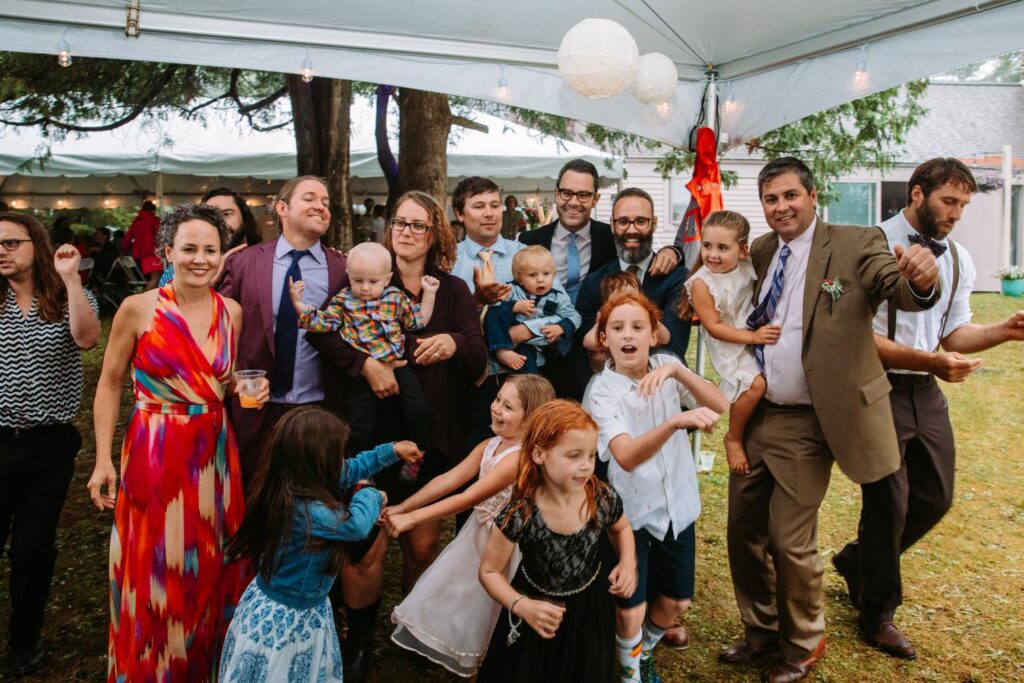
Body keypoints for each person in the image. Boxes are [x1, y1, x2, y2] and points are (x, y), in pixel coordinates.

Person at [721, 157, 940, 683]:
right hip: (757, 413)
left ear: (813, 195)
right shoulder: (763, 250)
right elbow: (719, 275)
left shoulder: (855, 242)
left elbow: (899, 289)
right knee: (742, 529)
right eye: (771, 199)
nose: (781, 207)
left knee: (790, 540)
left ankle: (803, 644)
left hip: (809, 420)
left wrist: (921, 279)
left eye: (791, 195)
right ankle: (762, 631)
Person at [832, 158, 1024, 659]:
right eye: (949, 201)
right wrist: (930, 361)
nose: (957, 213)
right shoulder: (868, 244)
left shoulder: (958, 258)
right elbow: (857, 336)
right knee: (888, 502)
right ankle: (878, 611)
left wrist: (1003, 330)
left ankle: (858, 561)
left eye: (963, 204)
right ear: (917, 194)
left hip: (925, 390)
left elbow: (952, 333)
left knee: (936, 497)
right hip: (875, 387)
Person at [88, 204, 267, 682]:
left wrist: (243, 391)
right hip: (156, 451)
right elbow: (108, 384)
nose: (200, 259)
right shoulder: (137, 308)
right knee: (155, 569)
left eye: (211, 249)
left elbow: (221, 382)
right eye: (189, 248)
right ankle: (153, 667)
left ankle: (204, 666)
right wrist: (102, 460)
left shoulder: (231, 312)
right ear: (168, 251)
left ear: (222, 255)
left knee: (212, 564)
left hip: (214, 456)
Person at [314, 190, 487, 681]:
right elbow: (323, 335)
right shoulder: (361, 281)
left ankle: (412, 626)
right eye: (400, 223)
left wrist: (454, 341)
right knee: (363, 542)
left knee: (420, 543)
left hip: (428, 439)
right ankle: (360, 640)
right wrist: (365, 363)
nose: (407, 232)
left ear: (436, 236)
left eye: (419, 226)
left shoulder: (451, 291)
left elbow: (477, 358)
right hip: (366, 439)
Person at [583, 291, 727, 683]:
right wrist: (674, 423)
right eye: (617, 328)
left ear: (652, 335)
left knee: (677, 600)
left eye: (637, 327)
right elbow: (625, 456)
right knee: (631, 606)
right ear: (604, 340)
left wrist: (680, 373)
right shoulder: (602, 391)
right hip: (631, 514)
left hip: (679, 507)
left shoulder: (666, 366)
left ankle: (643, 648)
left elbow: (719, 403)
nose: (627, 335)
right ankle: (631, 675)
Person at [219, 406, 422, 682]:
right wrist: (371, 494)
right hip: (285, 621)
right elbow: (355, 525)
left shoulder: (292, 479)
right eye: (337, 454)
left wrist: (392, 451)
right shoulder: (303, 509)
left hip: (301, 609)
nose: (343, 461)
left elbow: (351, 469)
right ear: (315, 461)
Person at [387, 375, 556, 677]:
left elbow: (467, 497)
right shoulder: (490, 445)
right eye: (497, 400)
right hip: (477, 540)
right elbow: (448, 480)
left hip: (507, 549)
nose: (496, 409)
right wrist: (403, 506)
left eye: (507, 406)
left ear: (531, 419)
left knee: (493, 617)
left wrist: (412, 519)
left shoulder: (519, 459)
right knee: (466, 605)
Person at [0, 212, 100, 677]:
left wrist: (71, 280)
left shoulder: (63, 296)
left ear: (34, 245)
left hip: (49, 447)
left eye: (10, 242)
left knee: (31, 549)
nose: (1, 251)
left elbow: (87, 339)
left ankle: (24, 641)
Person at [476, 400, 637, 682]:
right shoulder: (521, 512)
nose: (586, 466)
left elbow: (621, 529)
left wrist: (627, 562)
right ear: (540, 454)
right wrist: (521, 606)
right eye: (574, 456)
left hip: (589, 608)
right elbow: (489, 572)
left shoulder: (601, 497)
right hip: (535, 606)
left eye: (590, 455)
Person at [217, 175, 352, 494]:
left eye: (326, 202)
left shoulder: (343, 270)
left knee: (314, 507)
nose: (320, 206)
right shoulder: (244, 263)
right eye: (310, 198)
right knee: (255, 504)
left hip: (320, 409)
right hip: (257, 410)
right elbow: (217, 329)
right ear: (282, 207)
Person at [290, 241, 439, 459]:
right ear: (348, 275)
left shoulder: (396, 298)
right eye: (357, 280)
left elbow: (418, 321)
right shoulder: (343, 300)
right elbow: (322, 322)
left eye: (373, 281)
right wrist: (298, 305)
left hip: (397, 365)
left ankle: (420, 451)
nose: (365, 288)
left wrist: (430, 293)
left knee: (417, 408)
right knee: (360, 422)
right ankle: (360, 470)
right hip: (361, 373)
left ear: (387, 279)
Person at [573, 188, 692, 405]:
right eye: (623, 222)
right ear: (612, 224)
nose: (631, 230)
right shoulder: (594, 281)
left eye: (640, 221)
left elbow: (672, 346)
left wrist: (610, 352)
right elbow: (582, 349)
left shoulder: (677, 279)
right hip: (608, 398)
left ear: (653, 223)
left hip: (660, 395)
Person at [682, 210, 777, 473]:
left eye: (722, 248)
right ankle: (733, 437)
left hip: (750, 326)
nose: (712, 254)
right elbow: (713, 327)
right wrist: (753, 337)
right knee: (755, 385)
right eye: (707, 246)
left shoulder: (748, 265)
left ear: (743, 250)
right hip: (728, 340)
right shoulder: (701, 284)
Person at [449, 176, 526, 445]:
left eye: (495, 205)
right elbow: (442, 321)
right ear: (460, 213)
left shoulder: (525, 255)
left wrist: (523, 331)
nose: (489, 213)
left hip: (521, 378)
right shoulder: (447, 261)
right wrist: (477, 302)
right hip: (467, 381)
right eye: (479, 206)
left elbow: (558, 310)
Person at [486, 245, 581, 373]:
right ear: (519, 279)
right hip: (504, 333)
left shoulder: (557, 296)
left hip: (529, 345)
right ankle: (501, 351)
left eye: (546, 274)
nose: (540, 280)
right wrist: (514, 306)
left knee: (528, 366)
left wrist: (561, 327)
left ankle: (530, 386)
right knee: (496, 311)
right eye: (532, 275)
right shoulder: (511, 290)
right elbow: (492, 307)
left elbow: (574, 316)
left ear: (553, 274)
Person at [158, 188, 262, 287]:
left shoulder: (262, 261)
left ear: (245, 219)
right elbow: (164, 301)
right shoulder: (181, 269)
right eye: (211, 216)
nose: (220, 222)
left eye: (227, 214)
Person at [582, 271, 670, 369]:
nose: (627, 300)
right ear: (607, 302)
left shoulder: (644, 314)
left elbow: (665, 338)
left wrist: (652, 318)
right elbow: (588, 342)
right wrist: (610, 343)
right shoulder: (607, 316)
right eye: (621, 297)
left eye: (633, 296)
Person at [122, 200, 163, 288]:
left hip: (139, 257)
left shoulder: (136, 222)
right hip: (152, 255)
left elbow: (127, 239)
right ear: (153, 210)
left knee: (149, 281)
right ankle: (147, 301)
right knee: (154, 281)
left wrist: (124, 252)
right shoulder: (154, 220)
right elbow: (161, 236)